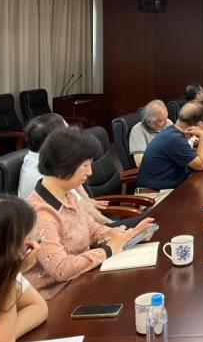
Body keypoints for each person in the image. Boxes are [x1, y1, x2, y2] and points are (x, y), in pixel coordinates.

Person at [24, 127, 155, 300]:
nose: (90, 172)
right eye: (85, 166)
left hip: (82, 280)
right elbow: (61, 269)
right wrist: (108, 250)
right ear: (64, 164)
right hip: (56, 299)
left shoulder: (66, 194)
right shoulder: (40, 213)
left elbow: (93, 230)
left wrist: (130, 235)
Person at [0, 195, 48, 342]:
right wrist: (10, 277)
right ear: (2, 247)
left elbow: (38, 307)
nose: (29, 244)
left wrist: (1, 335)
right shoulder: (3, 269)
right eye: (23, 238)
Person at [18, 113, 110, 222]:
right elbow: (86, 211)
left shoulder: (38, 156)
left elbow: (80, 199)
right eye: (68, 134)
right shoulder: (45, 174)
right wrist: (112, 224)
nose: (73, 137)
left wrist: (87, 199)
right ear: (56, 142)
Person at [136, 102, 203, 192]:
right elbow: (200, 165)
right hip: (155, 196)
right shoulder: (174, 139)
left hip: (165, 190)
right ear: (198, 124)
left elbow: (194, 157)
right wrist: (202, 135)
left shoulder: (173, 132)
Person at [129, 100, 173, 167]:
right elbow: (140, 162)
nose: (166, 122)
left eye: (166, 117)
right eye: (161, 121)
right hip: (158, 168)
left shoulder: (167, 123)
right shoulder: (137, 131)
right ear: (149, 122)